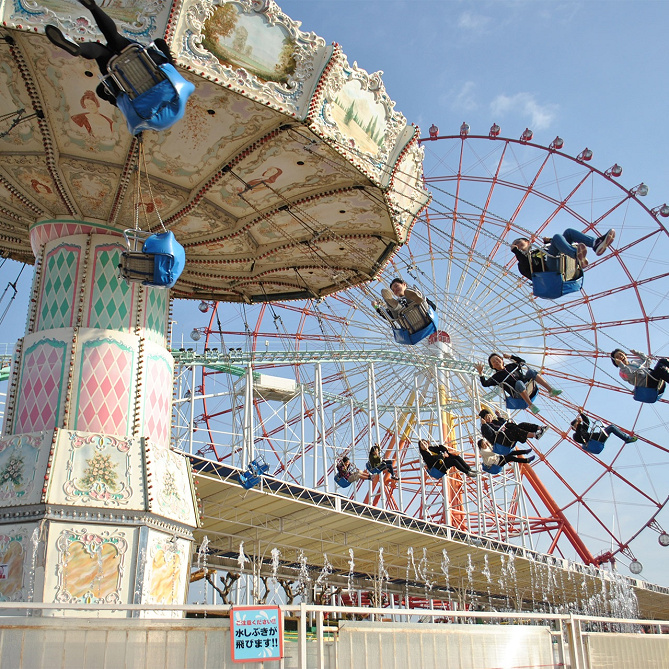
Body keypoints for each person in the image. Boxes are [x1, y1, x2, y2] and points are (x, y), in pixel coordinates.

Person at [44, 0, 174, 106]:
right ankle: (79, 48)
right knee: (101, 53)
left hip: (139, 59)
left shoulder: (174, 89)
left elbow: (160, 42)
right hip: (122, 78)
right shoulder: (144, 113)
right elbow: (102, 92)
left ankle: (93, 7)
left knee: (114, 37)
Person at [475, 353, 561, 415]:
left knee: (531, 371)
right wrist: (480, 373)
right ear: (492, 366)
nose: (496, 362)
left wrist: (511, 356)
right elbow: (485, 384)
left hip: (528, 385)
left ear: (502, 360)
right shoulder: (496, 377)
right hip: (517, 394)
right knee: (519, 383)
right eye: (493, 362)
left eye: (497, 359)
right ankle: (531, 406)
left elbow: (522, 362)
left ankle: (551, 390)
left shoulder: (511, 366)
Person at [510, 228, 615, 279]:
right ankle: (577, 255)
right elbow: (532, 270)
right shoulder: (521, 264)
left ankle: (596, 244)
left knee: (568, 232)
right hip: (550, 272)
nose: (516, 245)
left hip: (558, 259)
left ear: (527, 242)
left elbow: (559, 245)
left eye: (518, 242)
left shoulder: (539, 250)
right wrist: (517, 252)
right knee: (557, 237)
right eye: (514, 245)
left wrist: (549, 242)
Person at [478, 408, 546, 449]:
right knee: (516, 431)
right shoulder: (484, 427)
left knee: (521, 425)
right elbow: (489, 435)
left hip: (508, 434)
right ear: (484, 419)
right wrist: (484, 425)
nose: (489, 417)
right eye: (487, 417)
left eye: (489, 415)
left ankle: (539, 428)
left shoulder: (494, 421)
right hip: (502, 440)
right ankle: (535, 435)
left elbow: (504, 423)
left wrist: (499, 416)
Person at [570, 412, 637, 446]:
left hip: (598, 437)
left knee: (611, 427)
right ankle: (627, 439)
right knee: (611, 427)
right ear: (574, 427)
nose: (579, 423)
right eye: (577, 423)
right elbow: (582, 435)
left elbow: (587, 422)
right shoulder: (575, 436)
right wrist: (578, 424)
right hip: (595, 441)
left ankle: (627, 438)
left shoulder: (582, 429)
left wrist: (581, 413)